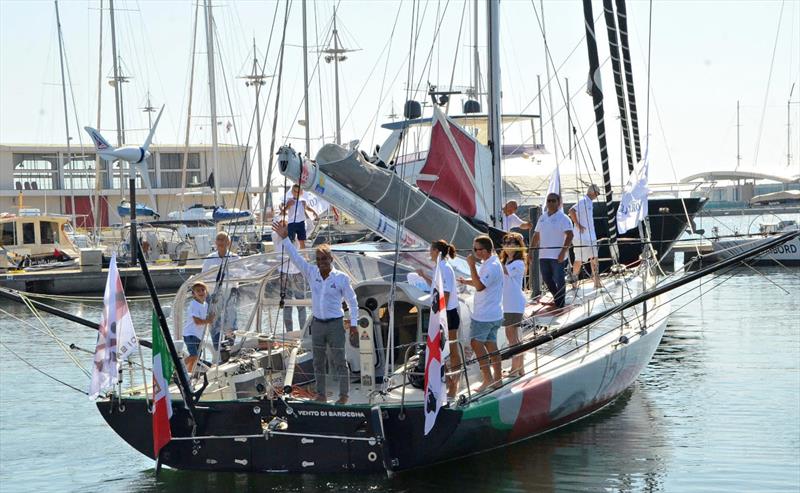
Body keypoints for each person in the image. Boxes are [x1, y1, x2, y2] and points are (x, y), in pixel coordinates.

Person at [272, 220, 358, 404]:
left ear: (331, 259)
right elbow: (296, 257)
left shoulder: (341, 278)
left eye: (324, 259)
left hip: (335, 324)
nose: (321, 263)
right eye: (318, 260)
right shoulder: (312, 272)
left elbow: (352, 301)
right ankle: (321, 394)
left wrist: (354, 324)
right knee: (318, 362)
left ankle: (344, 395)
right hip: (317, 324)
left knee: (339, 361)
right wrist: (286, 238)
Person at [415, 239, 462, 398]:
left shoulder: (445, 268)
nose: (429, 252)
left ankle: (455, 386)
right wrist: (424, 276)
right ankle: (449, 382)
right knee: (441, 349)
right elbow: (436, 287)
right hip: (442, 313)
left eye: (431, 250)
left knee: (452, 349)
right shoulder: (438, 267)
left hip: (448, 313)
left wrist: (440, 315)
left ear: (436, 251)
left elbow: (446, 292)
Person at [458, 235, 504, 391]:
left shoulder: (491, 266)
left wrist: (471, 266)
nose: (475, 252)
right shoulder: (490, 263)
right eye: (474, 249)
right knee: (491, 345)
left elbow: (480, 286)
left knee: (476, 344)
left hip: (485, 316)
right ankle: (497, 379)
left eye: (477, 249)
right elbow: (480, 281)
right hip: (493, 314)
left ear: (485, 250)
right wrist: (466, 281)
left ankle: (488, 379)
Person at [532, 193, 574, 309]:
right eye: (548, 201)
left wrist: (563, 252)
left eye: (553, 201)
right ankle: (557, 298)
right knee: (546, 278)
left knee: (559, 279)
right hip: (543, 255)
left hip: (557, 255)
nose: (550, 203)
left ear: (558, 202)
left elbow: (570, 235)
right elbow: (536, 236)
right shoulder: (542, 217)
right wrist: (530, 252)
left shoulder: (564, 218)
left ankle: (560, 304)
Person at [202, 231, 240, 352]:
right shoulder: (209, 259)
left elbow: (242, 274)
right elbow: (204, 277)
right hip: (213, 295)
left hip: (230, 293)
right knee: (214, 322)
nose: (220, 242)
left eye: (223, 240)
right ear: (215, 243)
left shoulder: (236, 258)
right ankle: (217, 349)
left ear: (228, 242)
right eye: (218, 240)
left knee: (231, 320)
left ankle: (230, 347)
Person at [500, 232, 526, 377]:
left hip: (514, 303)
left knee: (512, 337)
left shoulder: (518, 263)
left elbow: (504, 272)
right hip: (507, 303)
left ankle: (515, 369)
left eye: (512, 244)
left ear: (518, 247)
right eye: (506, 243)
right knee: (513, 337)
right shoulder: (505, 262)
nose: (508, 246)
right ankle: (519, 368)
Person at [568, 184, 601, 288]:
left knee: (594, 258)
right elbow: (571, 210)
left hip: (590, 236)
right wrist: (578, 225)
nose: (598, 196)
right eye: (598, 193)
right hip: (582, 237)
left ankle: (596, 281)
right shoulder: (583, 201)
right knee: (579, 259)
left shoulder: (589, 202)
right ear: (593, 193)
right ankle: (574, 283)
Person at [276, 237, 308, 332]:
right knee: (301, 305)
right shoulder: (298, 233)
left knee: (287, 305)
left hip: (284, 272)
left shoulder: (276, 235)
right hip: (297, 271)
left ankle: (289, 332)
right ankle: (303, 332)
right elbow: (309, 228)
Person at [183, 281, 215, 373]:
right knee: (194, 356)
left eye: (203, 290)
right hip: (190, 334)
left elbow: (207, 319)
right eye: (198, 291)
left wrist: (211, 318)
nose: (201, 292)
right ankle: (179, 366)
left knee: (196, 358)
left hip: (198, 336)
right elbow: (197, 322)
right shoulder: (194, 304)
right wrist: (209, 321)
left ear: (206, 292)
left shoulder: (206, 305)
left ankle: (189, 373)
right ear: (193, 294)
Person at [281, 184, 319, 249]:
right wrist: (288, 206)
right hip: (292, 223)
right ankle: (291, 256)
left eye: (298, 191)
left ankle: (304, 256)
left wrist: (314, 212)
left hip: (301, 223)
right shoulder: (289, 201)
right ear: (292, 192)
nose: (296, 193)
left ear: (301, 192)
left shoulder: (303, 201)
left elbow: (307, 208)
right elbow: (283, 212)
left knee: (302, 241)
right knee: (291, 240)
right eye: (294, 191)